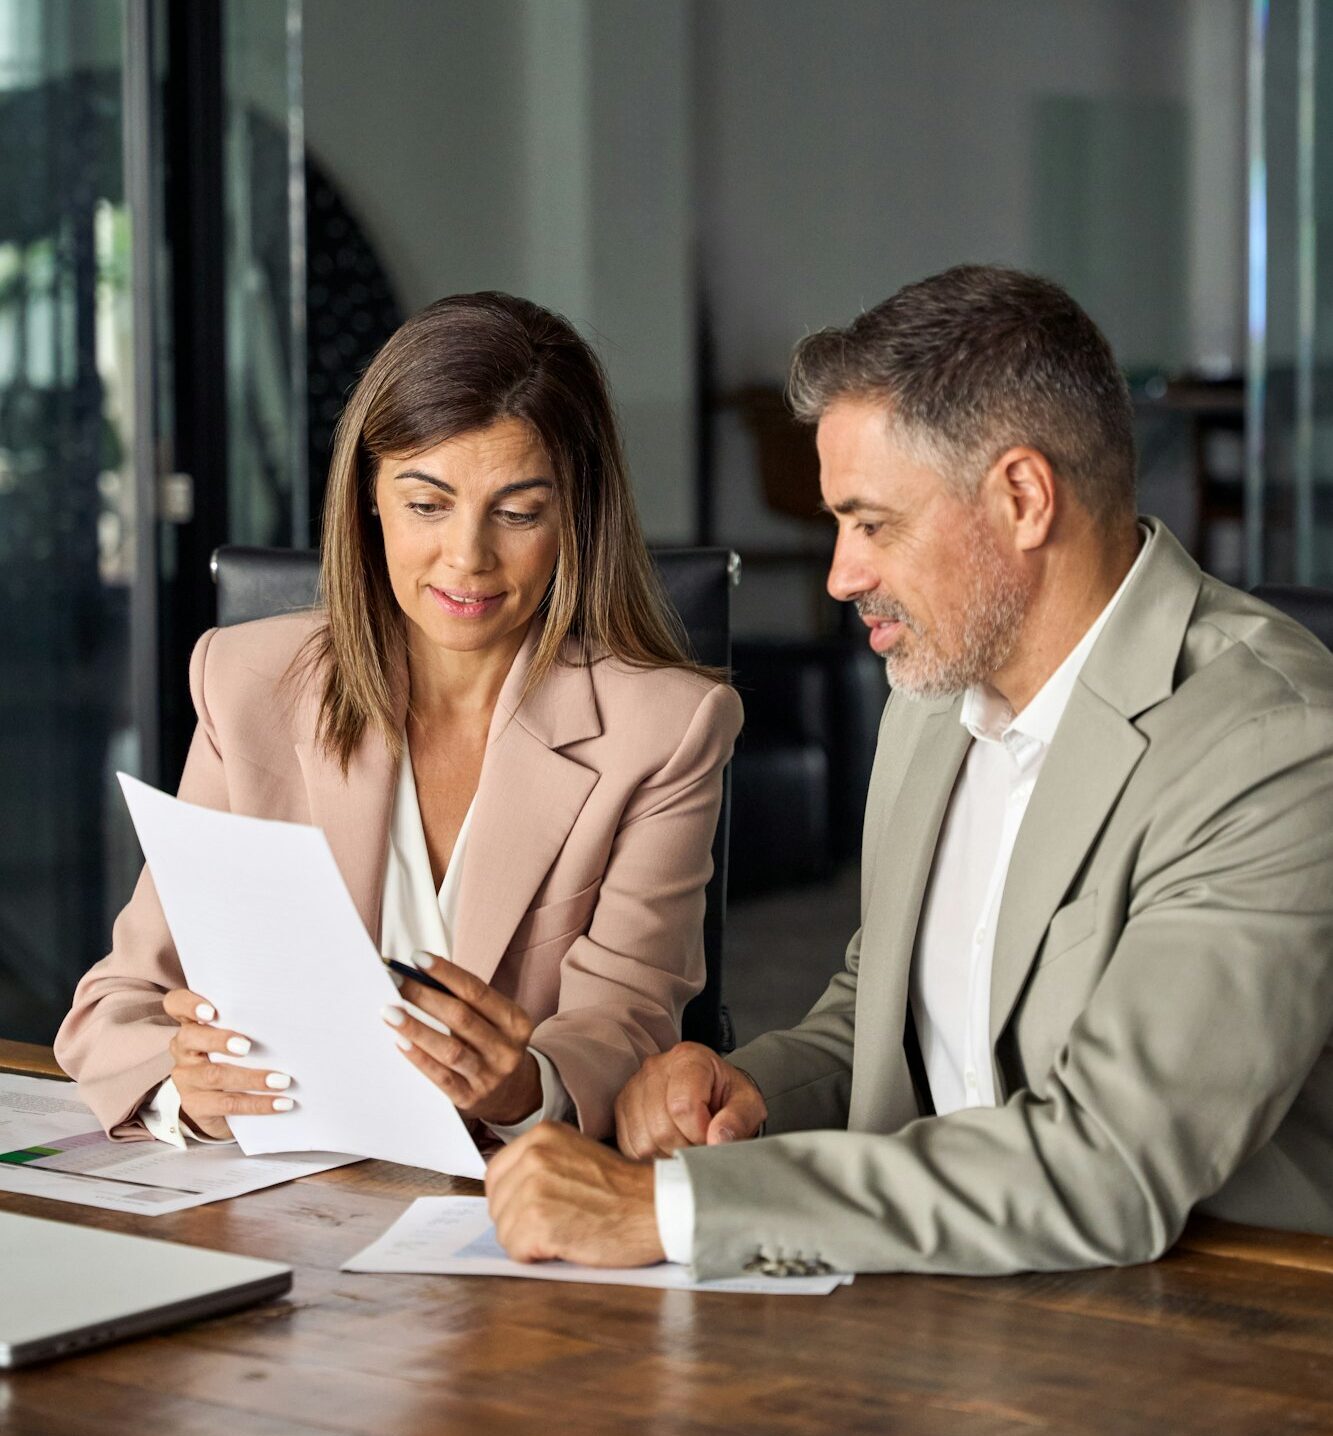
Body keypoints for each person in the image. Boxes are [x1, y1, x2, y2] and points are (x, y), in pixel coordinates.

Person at [483, 265, 1333, 1280]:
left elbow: (1106, 1165)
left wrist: (674, 1207)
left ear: (1021, 496)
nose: (841, 573)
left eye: (871, 522)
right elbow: (888, 1010)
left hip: (1203, 1327)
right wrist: (748, 1091)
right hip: (942, 1306)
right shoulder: (935, 691)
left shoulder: (1269, 745)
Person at [56, 292, 741, 1153]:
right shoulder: (245, 682)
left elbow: (628, 1019)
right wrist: (184, 1089)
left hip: (508, 1196)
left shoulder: (667, 727)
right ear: (368, 500)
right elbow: (118, 1003)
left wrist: (528, 1084)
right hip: (280, 1187)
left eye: (519, 512)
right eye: (426, 504)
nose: (467, 557)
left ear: (577, 515)